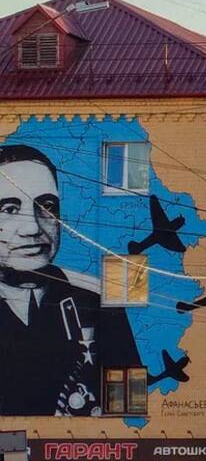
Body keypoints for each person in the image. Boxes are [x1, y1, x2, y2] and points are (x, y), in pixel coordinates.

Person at [0, 143, 139, 416]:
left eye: (46, 206)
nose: (33, 227)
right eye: (9, 209)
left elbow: (128, 407)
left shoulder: (96, 300)